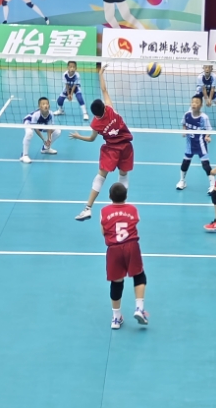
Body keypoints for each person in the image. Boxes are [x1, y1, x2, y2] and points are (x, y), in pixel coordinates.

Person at [70, 64, 134, 221]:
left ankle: (88, 208)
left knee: (100, 176)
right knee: (123, 175)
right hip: (126, 147)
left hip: (111, 150)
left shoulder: (95, 124)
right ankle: (121, 208)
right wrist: (100, 74)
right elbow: (104, 90)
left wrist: (78, 136)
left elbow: (92, 139)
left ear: (95, 114)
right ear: (104, 109)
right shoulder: (110, 109)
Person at [100, 183, 149, 329]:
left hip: (114, 249)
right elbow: (134, 222)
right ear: (126, 196)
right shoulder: (133, 209)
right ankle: (139, 308)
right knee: (139, 275)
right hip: (131, 246)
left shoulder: (104, 211)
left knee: (116, 282)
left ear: (110, 196)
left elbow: (103, 231)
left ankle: (116, 318)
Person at [176, 95, 214, 193]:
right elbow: (184, 124)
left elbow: (209, 129)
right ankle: (182, 181)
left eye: (197, 102)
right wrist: (184, 131)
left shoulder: (204, 117)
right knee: (185, 163)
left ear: (201, 105)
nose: (194, 104)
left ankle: (213, 185)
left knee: (206, 165)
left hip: (201, 145)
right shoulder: (187, 115)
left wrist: (207, 136)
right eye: (192, 102)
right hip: (190, 145)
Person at [20, 97, 60, 163]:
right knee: (29, 133)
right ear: (39, 107)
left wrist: (49, 139)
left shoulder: (51, 114)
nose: (45, 105)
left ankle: (46, 148)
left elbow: (49, 127)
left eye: (47, 104)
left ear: (49, 105)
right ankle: (24, 155)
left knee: (57, 131)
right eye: (43, 104)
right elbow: (36, 129)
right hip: (29, 122)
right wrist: (43, 139)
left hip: (41, 123)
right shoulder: (36, 115)